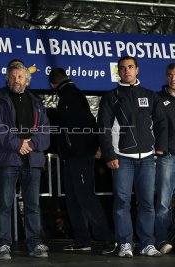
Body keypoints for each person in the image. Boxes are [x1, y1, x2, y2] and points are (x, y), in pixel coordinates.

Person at [97, 55, 167, 258]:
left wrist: (159, 148)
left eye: (130, 67)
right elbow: (103, 128)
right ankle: (125, 243)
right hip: (121, 158)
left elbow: (162, 123)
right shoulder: (111, 97)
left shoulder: (151, 95)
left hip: (147, 159)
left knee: (146, 202)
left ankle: (147, 244)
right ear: (118, 72)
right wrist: (109, 154)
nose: (126, 71)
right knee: (122, 203)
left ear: (137, 70)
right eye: (122, 68)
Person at [48, 68, 116, 254]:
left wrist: (93, 146)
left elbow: (84, 124)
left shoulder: (70, 95)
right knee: (73, 198)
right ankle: (82, 238)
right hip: (74, 155)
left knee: (85, 196)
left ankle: (107, 238)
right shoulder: (71, 94)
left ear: (52, 84)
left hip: (79, 154)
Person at [0, 61, 50, 259]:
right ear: (7, 79)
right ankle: (3, 245)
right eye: (13, 77)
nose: (16, 80)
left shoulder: (37, 103)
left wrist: (30, 145)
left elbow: (45, 130)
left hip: (32, 161)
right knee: (4, 205)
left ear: (27, 81)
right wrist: (17, 144)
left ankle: (35, 243)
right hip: (8, 159)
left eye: (20, 77)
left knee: (32, 205)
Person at [155, 63, 175, 255]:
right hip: (168, 157)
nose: (173, 78)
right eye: (170, 75)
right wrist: (160, 149)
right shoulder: (159, 99)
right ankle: (161, 240)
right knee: (163, 202)